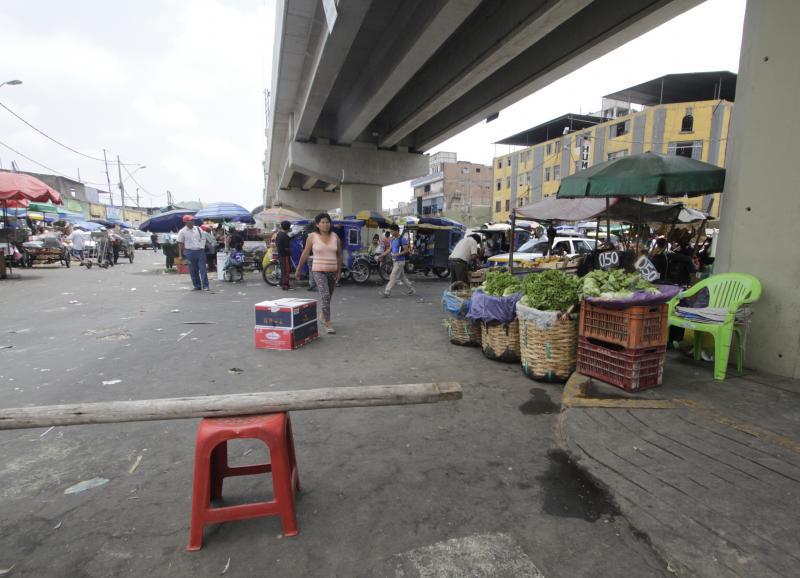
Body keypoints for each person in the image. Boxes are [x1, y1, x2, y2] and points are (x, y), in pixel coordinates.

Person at [296, 213, 341, 333]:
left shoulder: (335, 237)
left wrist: (339, 271)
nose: (326, 224)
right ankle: (328, 322)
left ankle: (322, 315)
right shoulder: (312, 237)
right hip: (318, 270)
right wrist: (299, 269)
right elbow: (305, 253)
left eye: (327, 222)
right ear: (317, 224)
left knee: (328, 297)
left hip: (332, 271)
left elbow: (339, 255)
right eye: (323, 222)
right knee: (325, 295)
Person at [378, 224, 414, 298]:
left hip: (400, 262)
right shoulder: (393, 239)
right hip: (395, 261)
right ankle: (412, 289)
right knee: (403, 278)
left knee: (393, 276)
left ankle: (387, 292)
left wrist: (397, 254)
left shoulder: (402, 239)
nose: (391, 233)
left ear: (397, 231)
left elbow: (406, 250)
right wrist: (381, 255)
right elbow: (389, 249)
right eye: (390, 231)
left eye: (392, 231)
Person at [177, 215, 209, 291]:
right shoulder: (182, 231)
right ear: (186, 222)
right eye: (190, 221)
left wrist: (203, 246)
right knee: (193, 270)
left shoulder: (198, 228)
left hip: (200, 251)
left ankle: (205, 285)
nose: (192, 222)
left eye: (192, 220)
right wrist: (180, 255)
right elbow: (180, 244)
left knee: (203, 269)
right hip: (189, 252)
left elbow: (203, 237)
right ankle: (197, 286)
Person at [276, 220, 293, 291]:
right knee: (286, 271)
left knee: (283, 270)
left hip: (280, 254)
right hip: (285, 255)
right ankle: (285, 285)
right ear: (288, 228)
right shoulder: (285, 236)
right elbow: (286, 248)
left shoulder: (279, 234)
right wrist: (290, 252)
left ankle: (281, 283)